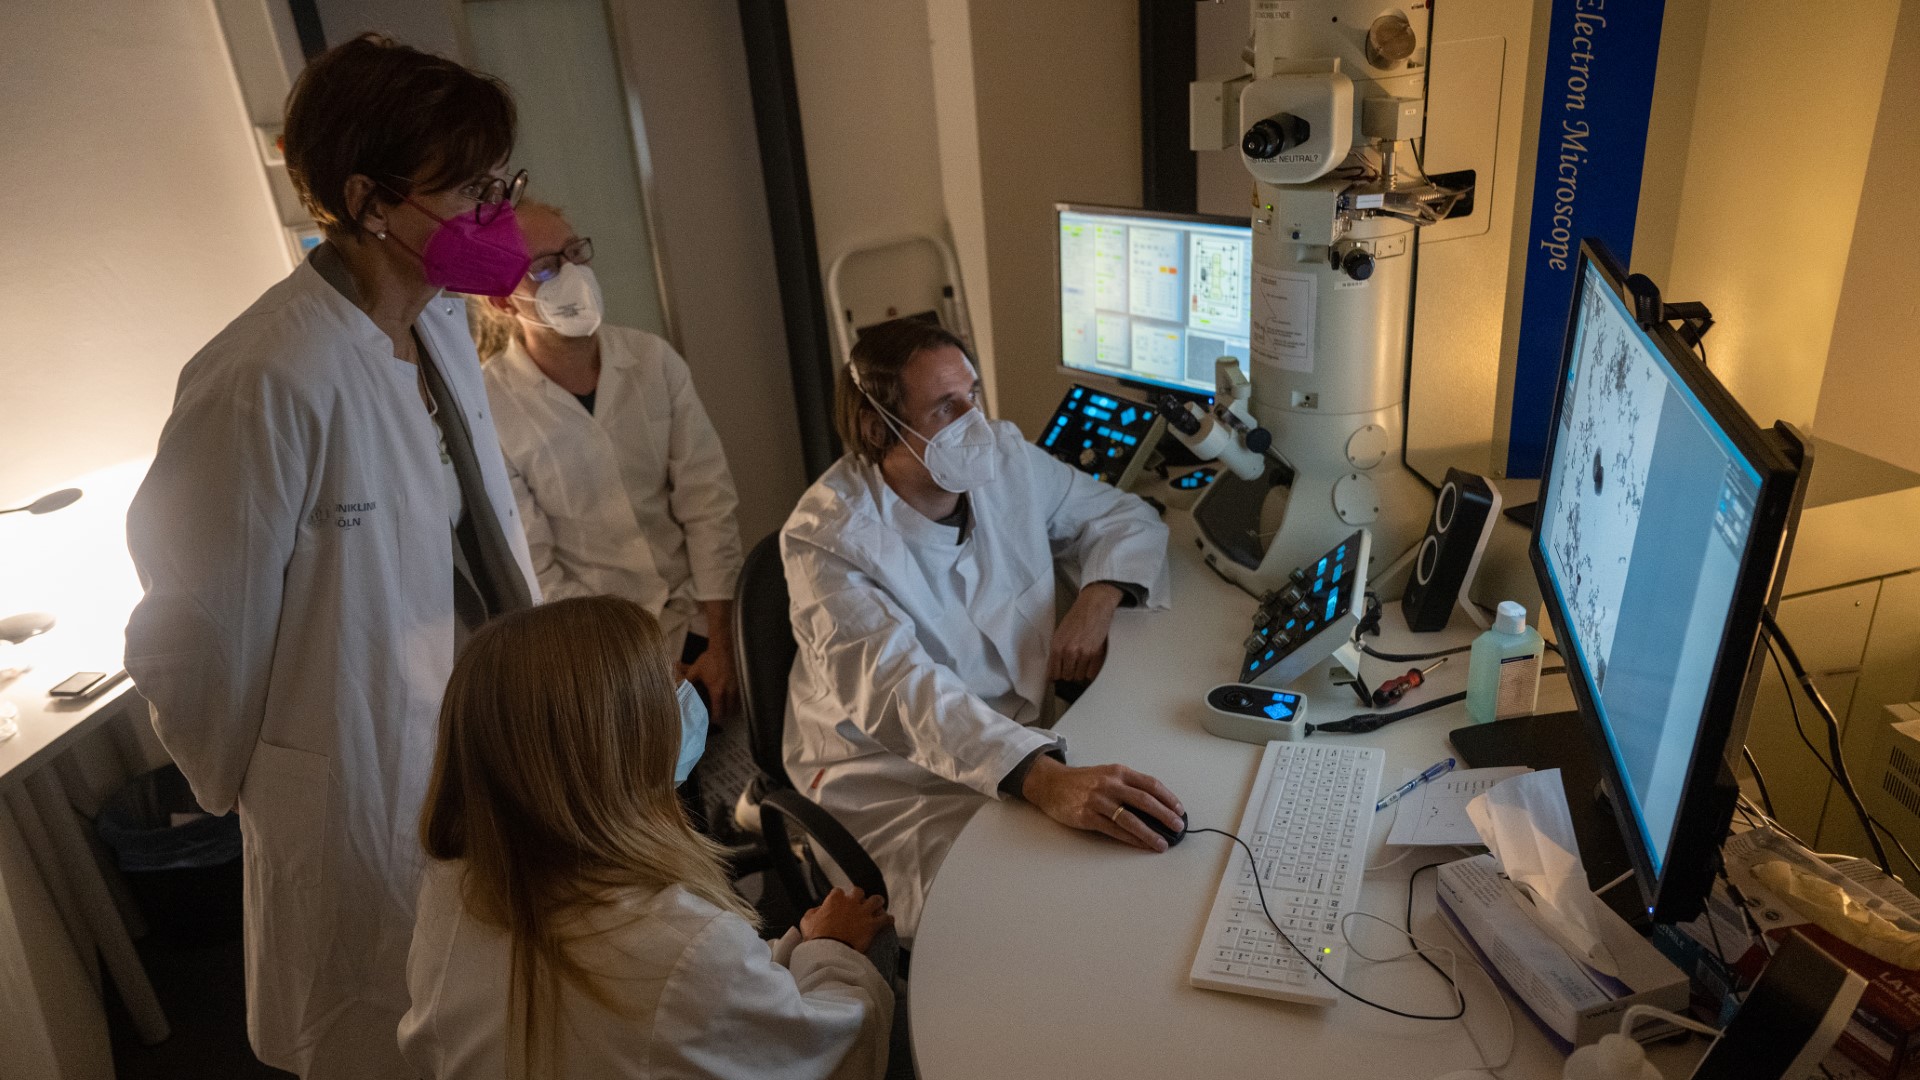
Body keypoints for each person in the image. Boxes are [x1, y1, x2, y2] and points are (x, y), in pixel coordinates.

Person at [124, 36, 539, 1078]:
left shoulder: (439, 329)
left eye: (500, 184)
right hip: (356, 778)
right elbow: (194, 631)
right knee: (386, 1029)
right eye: (470, 188)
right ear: (370, 201)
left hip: (472, 741)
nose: (499, 213)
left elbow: (469, 535)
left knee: (492, 1016)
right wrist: (275, 769)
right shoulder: (264, 376)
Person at [781, 318, 1186, 940]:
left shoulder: (1004, 460)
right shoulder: (828, 540)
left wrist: (1097, 598)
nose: (974, 420)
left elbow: (1122, 516)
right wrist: (1042, 778)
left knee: (1123, 863)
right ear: (876, 426)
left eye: (972, 394)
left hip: (1016, 742)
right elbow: (903, 693)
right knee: (1013, 920)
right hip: (894, 778)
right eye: (946, 406)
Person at [401, 596, 894, 1079]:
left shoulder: (451, 888)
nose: (682, 686)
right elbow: (820, 1051)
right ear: (613, 749)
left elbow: (683, 1015)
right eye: (665, 682)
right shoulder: (685, 947)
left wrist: (791, 950)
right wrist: (832, 950)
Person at [475, 201, 744, 716]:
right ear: (501, 301)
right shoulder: (490, 407)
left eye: (575, 253)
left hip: (700, 621)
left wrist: (722, 646)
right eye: (547, 266)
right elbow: (539, 570)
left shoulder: (652, 360)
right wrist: (640, 668)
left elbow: (708, 505)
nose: (571, 275)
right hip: (602, 653)